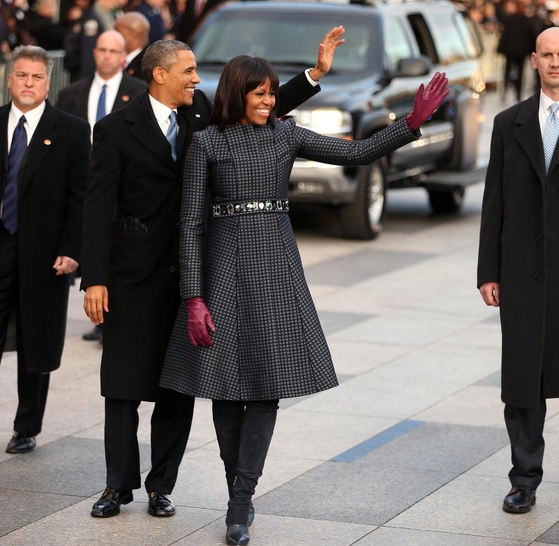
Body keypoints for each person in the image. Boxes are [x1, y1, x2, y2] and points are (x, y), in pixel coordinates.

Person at [160, 55, 447, 546]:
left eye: (273, 93)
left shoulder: (287, 135)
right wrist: (193, 297)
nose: (270, 101)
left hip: (275, 269)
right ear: (237, 94)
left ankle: (240, 501)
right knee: (227, 393)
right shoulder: (206, 143)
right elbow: (189, 224)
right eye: (260, 94)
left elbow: (354, 154)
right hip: (223, 272)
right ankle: (239, 493)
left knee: (266, 389)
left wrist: (411, 123)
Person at [80, 32, 343, 519]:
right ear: (159, 74)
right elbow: (96, 208)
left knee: (178, 386)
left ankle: (162, 487)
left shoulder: (201, 113)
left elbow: (256, 104)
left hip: (196, 270)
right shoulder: (115, 129)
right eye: (188, 71)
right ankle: (118, 486)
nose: (197, 79)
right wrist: (95, 277)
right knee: (121, 385)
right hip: (134, 274)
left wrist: (314, 75)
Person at [0, 45, 90, 458]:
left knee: (35, 340)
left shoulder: (73, 131)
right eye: (22, 76)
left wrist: (72, 249)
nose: (29, 84)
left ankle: (26, 427)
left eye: (37, 77)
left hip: (45, 257)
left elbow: (81, 198)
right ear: (9, 80)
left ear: (49, 82)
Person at [478, 26, 559, 514]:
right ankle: (524, 480)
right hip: (524, 271)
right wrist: (489, 270)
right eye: (548, 55)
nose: (556, 62)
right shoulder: (510, 123)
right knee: (525, 379)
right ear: (533, 60)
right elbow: (494, 202)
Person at [56, 29, 146, 343]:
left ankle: (111, 319)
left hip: (124, 188)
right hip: (83, 184)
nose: (107, 55)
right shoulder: (71, 94)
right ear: (94, 53)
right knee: (89, 245)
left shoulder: (139, 92)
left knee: (114, 250)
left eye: (113, 51)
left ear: (124, 57)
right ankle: (100, 316)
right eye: (101, 49)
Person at [114, 11, 148, 81]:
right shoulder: (119, 60)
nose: (114, 35)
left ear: (132, 36)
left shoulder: (146, 67)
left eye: (117, 31)